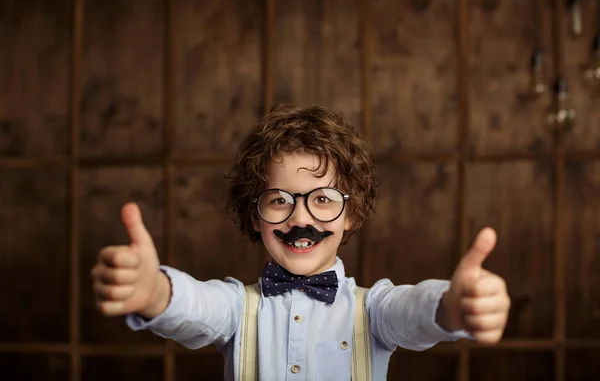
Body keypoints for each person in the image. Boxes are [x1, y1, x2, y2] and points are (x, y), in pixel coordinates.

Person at [91, 105, 511, 380]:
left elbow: (414, 310)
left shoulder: (375, 310)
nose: (301, 217)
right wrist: (153, 292)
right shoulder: (237, 308)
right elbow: (195, 307)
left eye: (323, 199)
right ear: (255, 216)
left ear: (352, 214)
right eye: (278, 200)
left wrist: (453, 307)